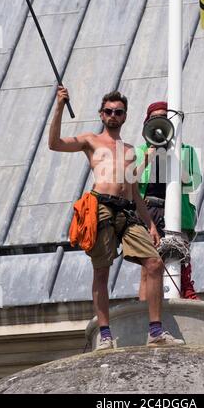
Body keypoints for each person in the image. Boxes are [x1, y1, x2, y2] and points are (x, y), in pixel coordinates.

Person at [48, 87, 185, 350]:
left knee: (154, 262)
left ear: (124, 117)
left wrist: (152, 224)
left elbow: (133, 191)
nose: (113, 115)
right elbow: (54, 144)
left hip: (127, 211)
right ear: (102, 114)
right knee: (102, 271)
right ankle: (105, 335)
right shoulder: (90, 140)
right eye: (109, 111)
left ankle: (155, 331)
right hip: (100, 207)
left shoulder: (131, 150)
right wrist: (59, 107)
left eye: (118, 112)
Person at [135, 102, 202, 301]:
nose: (159, 122)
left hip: (176, 212)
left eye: (164, 118)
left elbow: (191, 183)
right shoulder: (139, 152)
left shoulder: (186, 151)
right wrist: (148, 157)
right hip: (149, 212)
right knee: (149, 266)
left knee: (178, 262)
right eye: (155, 118)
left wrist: (172, 154)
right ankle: (146, 311)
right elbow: (129, 183)